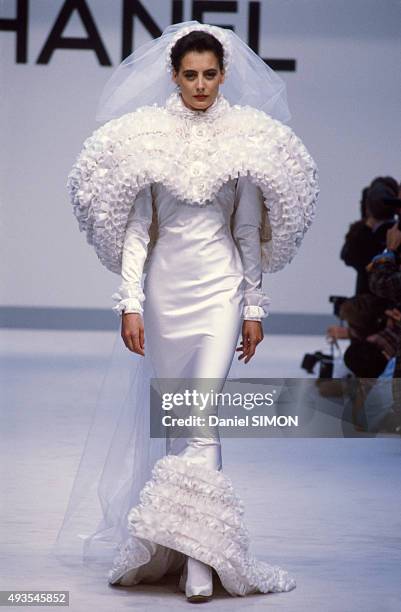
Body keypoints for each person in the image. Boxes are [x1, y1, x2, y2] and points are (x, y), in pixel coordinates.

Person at [56, 21, 319, 602]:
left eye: (209, 74)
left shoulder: (247, 142)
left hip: (221, 290)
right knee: (178, 419)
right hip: (164, 290)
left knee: (200, 414)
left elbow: (248, 231)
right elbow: (136, 231)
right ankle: (176, 546)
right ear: (173, 77)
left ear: (223, 75)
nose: (200, 84)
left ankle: (204, 557)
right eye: (190, 75)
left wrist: (254, 307)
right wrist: (129, 303)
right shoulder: (145, 140)